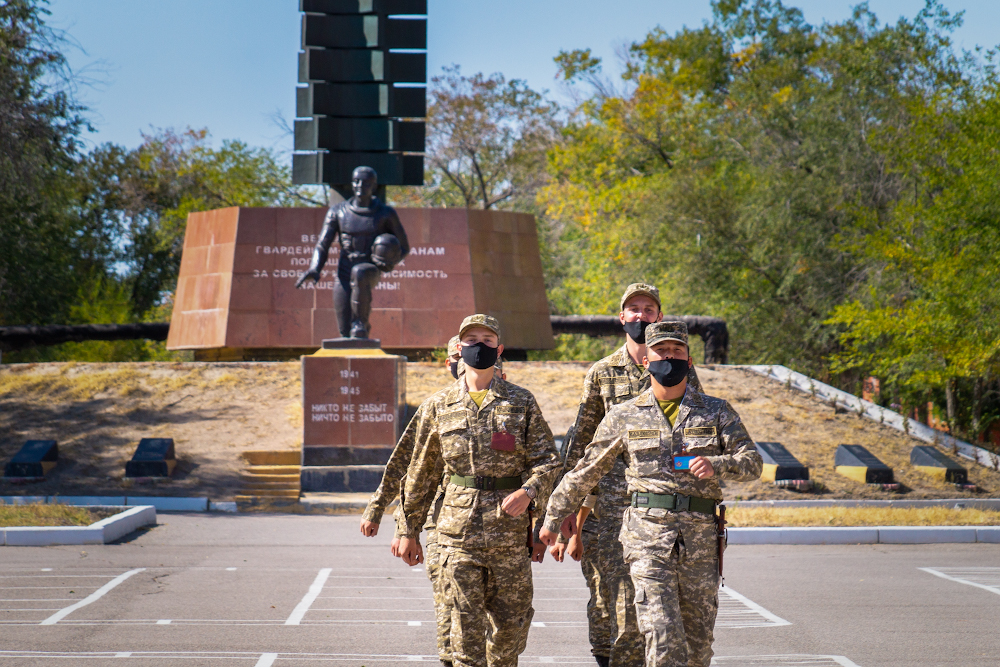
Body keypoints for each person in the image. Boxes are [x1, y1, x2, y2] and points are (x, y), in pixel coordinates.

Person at [540, 321, 762, 667]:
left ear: (689, 361)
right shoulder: (624, 415)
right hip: (647, 539)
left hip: (700, 542)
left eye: (677, 351)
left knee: (696, 649)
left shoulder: (717, 411)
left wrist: (717, 464)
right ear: (647, 360)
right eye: (661, 351)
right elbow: (584, 471)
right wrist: (553, 517)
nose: (669, 357)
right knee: (662, 639)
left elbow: (752, 463)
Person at [397, 314, 562, 667]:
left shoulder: (521, 402)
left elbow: (549, 461)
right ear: (459, 348)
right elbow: (420, 473)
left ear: (499, 349)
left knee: (509, 632)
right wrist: (408, 529)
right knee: (463, 632)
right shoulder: (440, 406)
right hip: (457, 535)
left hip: (508, 537)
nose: (479, 347)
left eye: (487, 341)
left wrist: (529, 494)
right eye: (471, 341)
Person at [552, 284, 703, 667]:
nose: (640, 315)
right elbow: (580, 444)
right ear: (622, 318)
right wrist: (566, 507)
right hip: (607, 510)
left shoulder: (682, 370)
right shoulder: (602, 373)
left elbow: (695, 433)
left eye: (648, 309)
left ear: (659, 316)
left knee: (646, 611)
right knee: (609, 604)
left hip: (659, 513)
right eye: (633, 309)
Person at [295, 166, 409, 339]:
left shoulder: (385, 213)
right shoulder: (338, 211)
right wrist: (314, 268)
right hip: (345, 269)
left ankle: (361, 323)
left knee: (360, 274)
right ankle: (350, 349)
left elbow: (404, 246)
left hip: (370, 268)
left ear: (373, 185)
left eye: (365, 182)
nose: (360, 185)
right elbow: (323, 243)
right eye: (356, 181)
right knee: (344, 328)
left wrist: (389, 262)